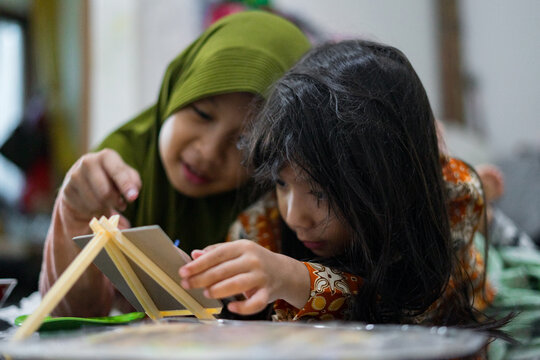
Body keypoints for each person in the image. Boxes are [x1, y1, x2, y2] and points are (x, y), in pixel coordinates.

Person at [179, 39, 500, 328]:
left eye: (321, 193)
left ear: (387, 179)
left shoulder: (456, 194)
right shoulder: (260, 226)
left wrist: (295, 279)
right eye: (280, 183)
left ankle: (491, 212)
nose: (295, 217)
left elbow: (416, 313)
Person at [39, 11, 311, 317]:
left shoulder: (288, 200)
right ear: (176, 89)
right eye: (202, 113)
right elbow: (71, 316)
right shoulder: (114, 169)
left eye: (243, 143)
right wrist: (74, 214)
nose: (208, 152)